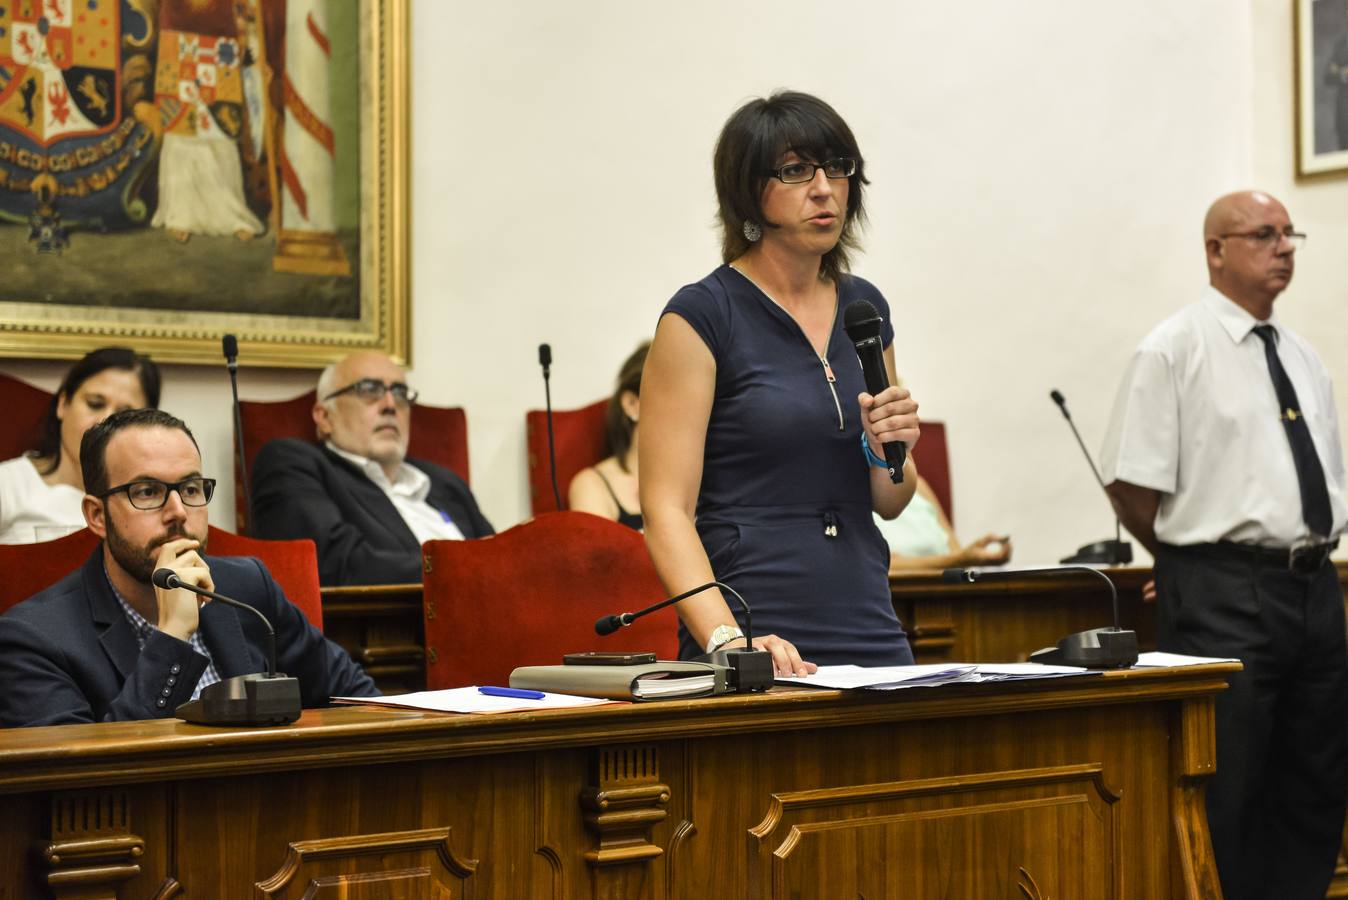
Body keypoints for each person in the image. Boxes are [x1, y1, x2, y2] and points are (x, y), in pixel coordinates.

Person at [1100, 190, 1348, 900]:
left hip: (1314, 583)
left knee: (1316, 772)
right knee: (1230, 779)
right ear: (1216, 250)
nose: (1285, 247)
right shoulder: (1174, 349)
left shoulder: (1302, 357)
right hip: (1224, 589)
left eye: (1289, 234)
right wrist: (1187, 557)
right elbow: (1132, 486)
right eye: (1264, 234)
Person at [641, 91, 922, 677]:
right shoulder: (700, 317)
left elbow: (891, 499)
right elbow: (665, 509)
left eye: (837, 167)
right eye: (795, 171)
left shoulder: (864, 308)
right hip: (753, 628)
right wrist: (725, 640)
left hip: (867, 619)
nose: (824, 188)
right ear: (748, 191)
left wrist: (890, 446)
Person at [0, 408, 377, 728]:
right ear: (97, 516)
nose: (179, 512)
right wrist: (173, 637)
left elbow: (358, 698)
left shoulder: (247, 587)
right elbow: (84, 784)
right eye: (147, 491)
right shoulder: (33, 641)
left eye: (192, 489)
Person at [250, 351, 494, 585]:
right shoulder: (293, 464)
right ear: (324, 417)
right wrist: (466, 566)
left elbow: (501, 556)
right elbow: (336, 566)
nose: (390, 404)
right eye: (369, 390)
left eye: (400, 393)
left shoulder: (445, 483)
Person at [0, 347, 161, 544]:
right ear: (63, 404)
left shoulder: (150, 502)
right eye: (95, 404)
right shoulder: (9, 484)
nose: (104, 421)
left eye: (123, 416)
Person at [568, 342, 649, 530]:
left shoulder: (705, 476)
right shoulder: (592, 485)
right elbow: (599, 558)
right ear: (631, 404)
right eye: (670, 394)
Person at [873, 474, 1011, 573]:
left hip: (951, 593)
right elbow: (884, 565)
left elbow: (956, 552)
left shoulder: (918, 485)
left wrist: (972, 557)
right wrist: (960, 560)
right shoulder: (855, 494)